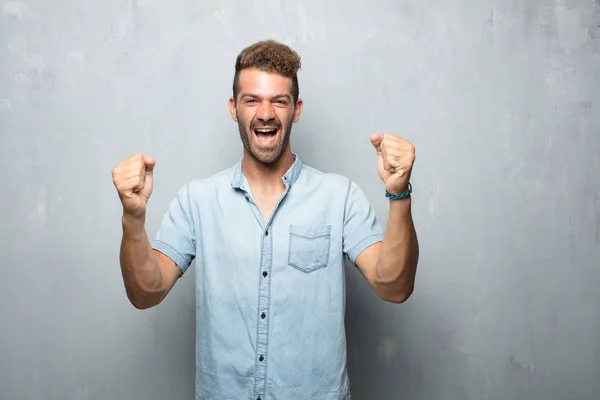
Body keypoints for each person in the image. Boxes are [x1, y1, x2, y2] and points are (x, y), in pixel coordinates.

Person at [111, 40, 419, 400]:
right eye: (252, 99)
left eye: (279, 100)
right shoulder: (197, 200)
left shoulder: (340, 196)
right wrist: (133, 218)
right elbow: (146, 293)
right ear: (233, 108)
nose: (266, 113)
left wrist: (399, 195)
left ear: (296, 109)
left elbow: (394, 286)